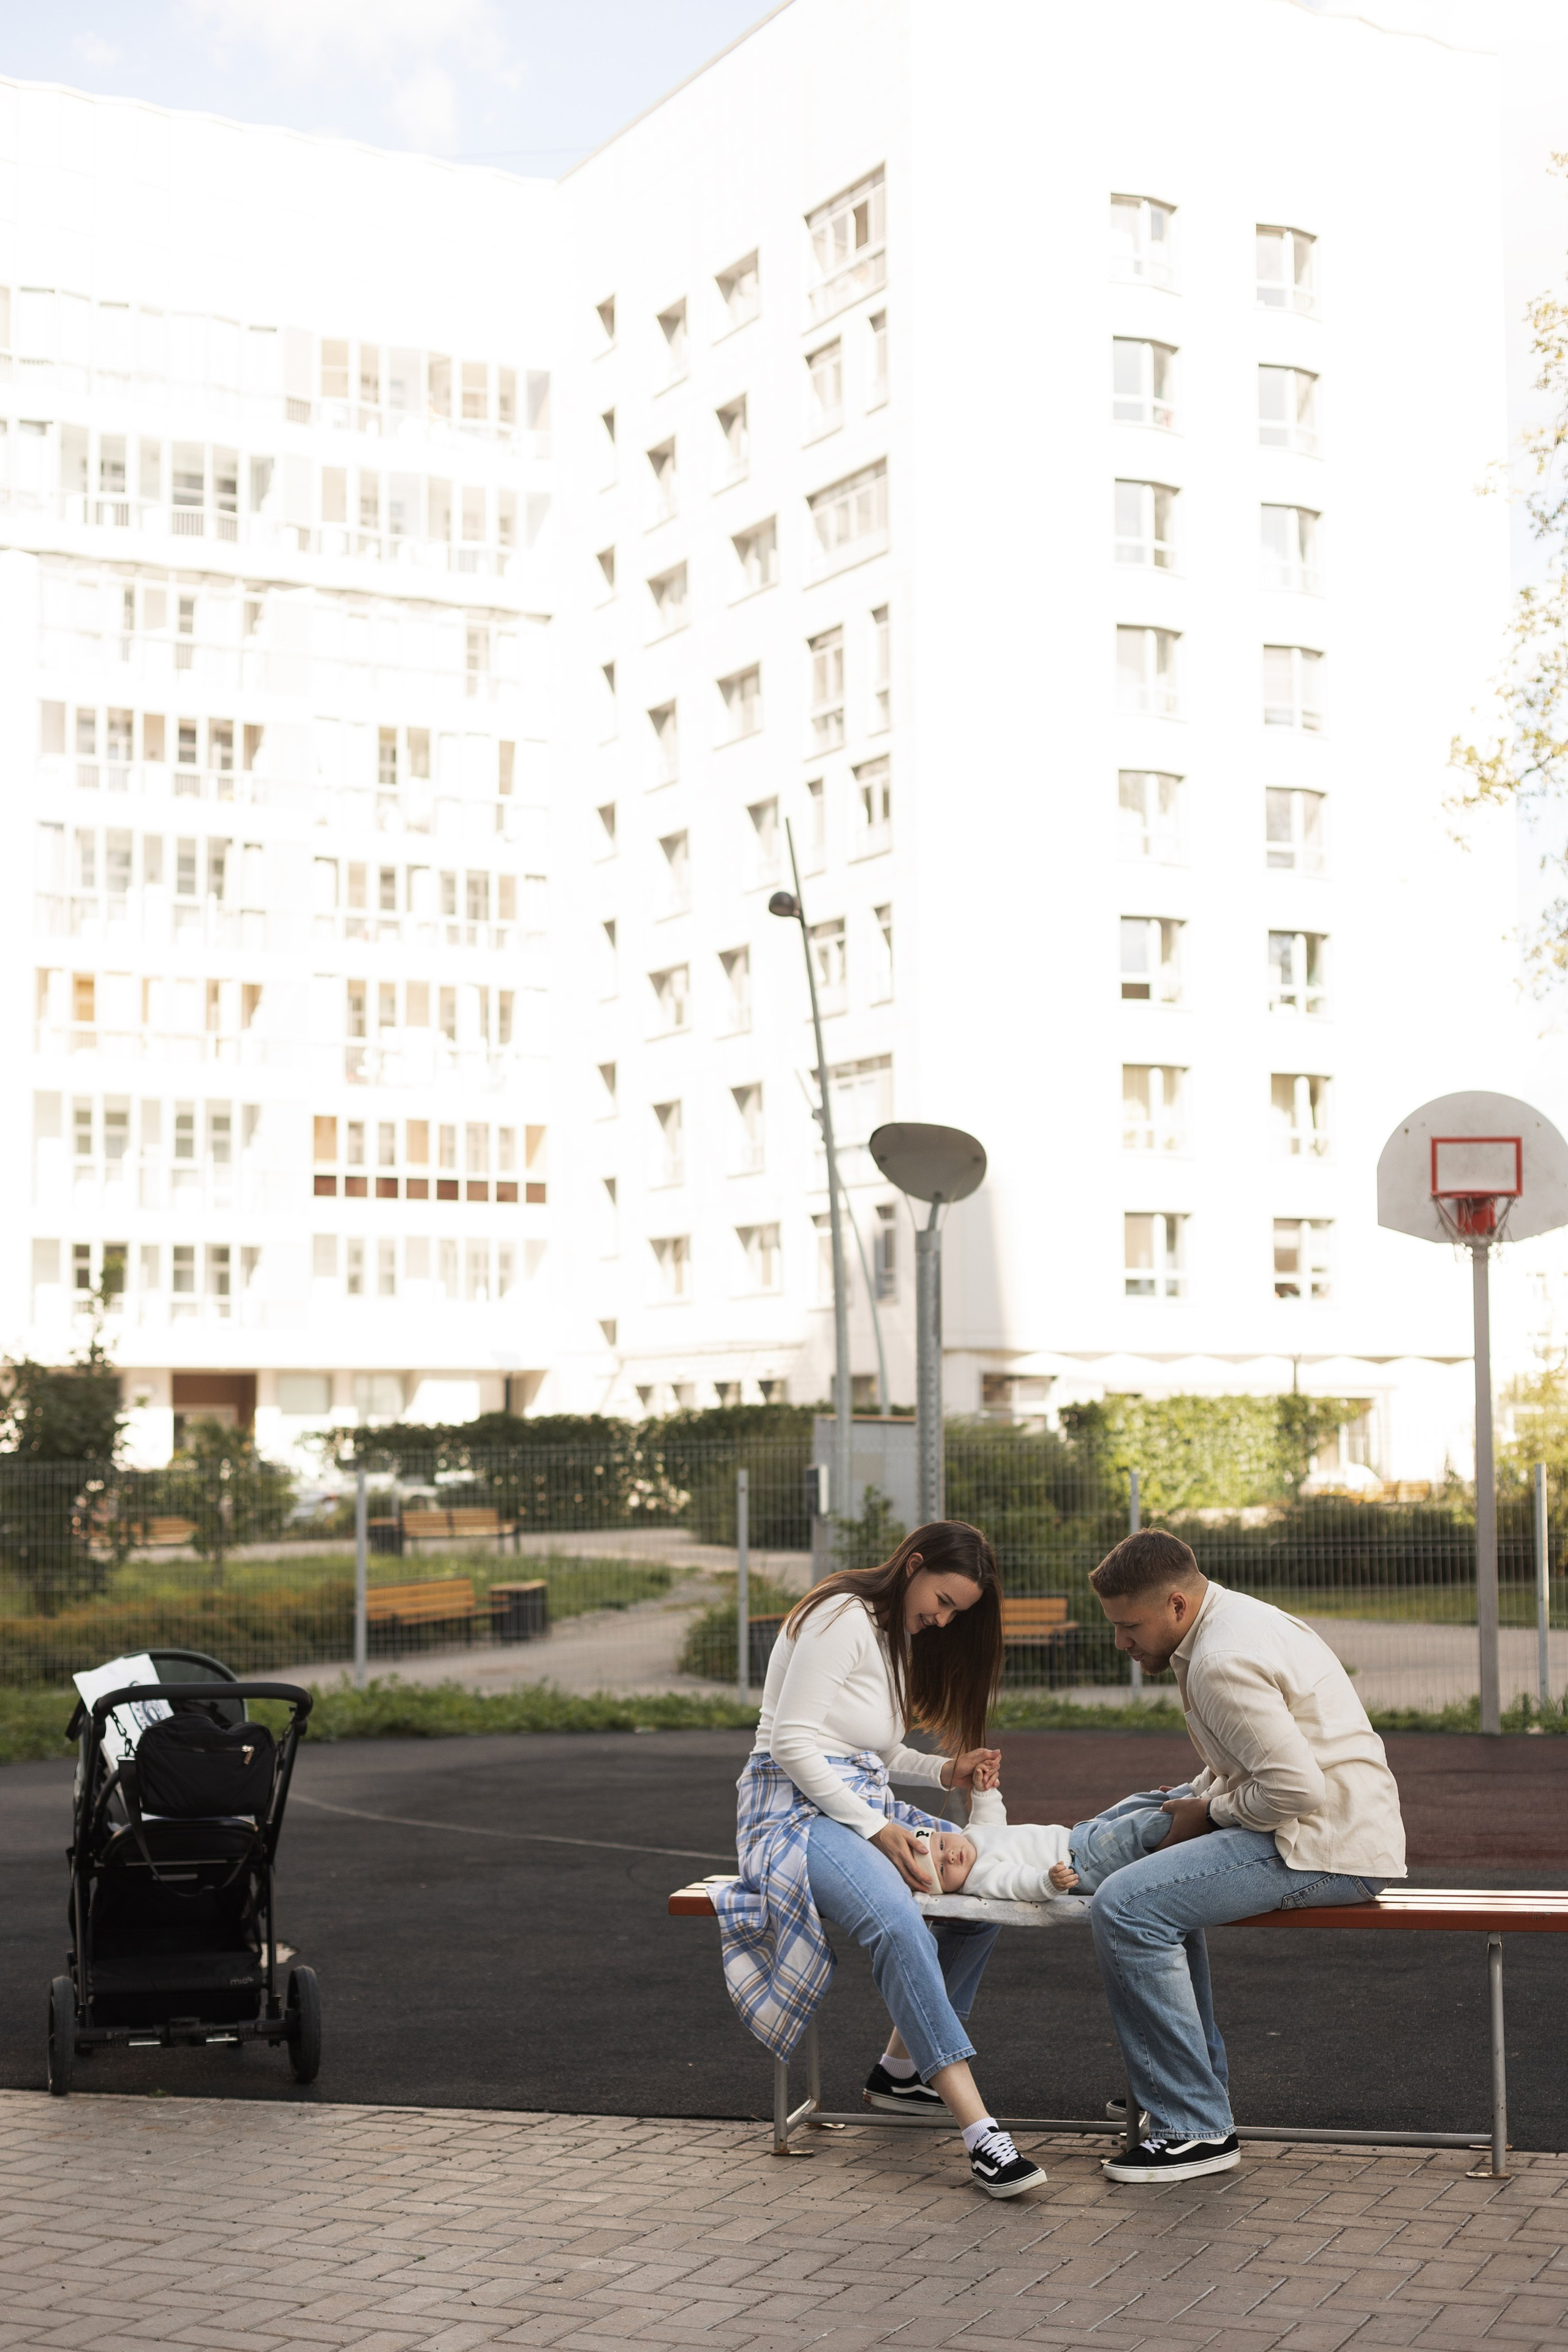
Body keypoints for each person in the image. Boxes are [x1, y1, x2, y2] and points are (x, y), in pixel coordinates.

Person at [714, 1521, 1047, 2198]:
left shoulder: (896, 1635)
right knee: (897, 1921)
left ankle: (899, 2073)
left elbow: (877, 1751)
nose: (943, 1617)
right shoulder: (841, 1614)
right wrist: (874, 1828)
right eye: (944, 1600)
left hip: (853, 1799)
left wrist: (945, 1770)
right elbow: (792, 1743)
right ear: (913, 1564)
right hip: (789, 1808)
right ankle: (981, 2134)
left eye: (957, 1611)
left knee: (976, 1905)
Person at [1084, 1529, 1407, 2185]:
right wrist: (1196, 1801)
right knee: (1146, 1846)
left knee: (1127, 1905)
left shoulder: (1219, 1659)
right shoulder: (1233, 1621)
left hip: (1323, 1845)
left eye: (1128, 1626)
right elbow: (1246, 1767)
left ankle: (1194, 2127)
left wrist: (1209, 1813)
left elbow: (1295, 1789)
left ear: (1175, 1605)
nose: (1120, 1642)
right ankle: (1183, 2089)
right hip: (1321, 1828)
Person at [919, 1776, 1188, 1900]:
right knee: (1137, 1828)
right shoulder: (980, 1876)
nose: (951, 1856)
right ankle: (1197, 1818)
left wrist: (983, 1791)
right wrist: (1047, 1882)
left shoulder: (970, 1836)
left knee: (1134, 1803)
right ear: (947, 1888)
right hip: (1080, 1865)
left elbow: (988, 1818)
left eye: (942, 1846)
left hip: (1079, 1837)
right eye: (942, 1869)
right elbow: (1015, 1883)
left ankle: (1192, 1791)